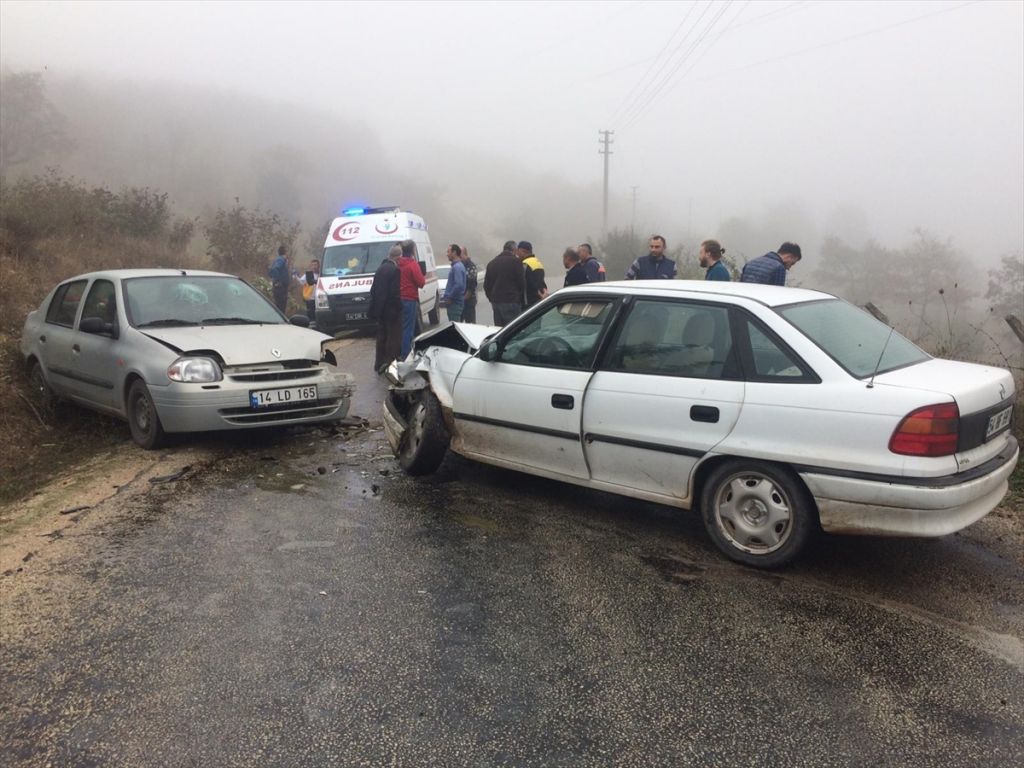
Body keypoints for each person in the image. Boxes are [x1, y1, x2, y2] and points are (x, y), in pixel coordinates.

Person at [368, 245, 403, 374]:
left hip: (380, 310)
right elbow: (395, 293)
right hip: (392, 311)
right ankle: (390, 364)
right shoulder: (395, 270)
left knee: (381, 336)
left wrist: (377, 308)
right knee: (393, 338)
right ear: (398, 257)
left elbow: (373, 290)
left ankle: (379, 363)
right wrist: (399, 306)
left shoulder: (380, 268)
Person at [484, 240, 526, 326]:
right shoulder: (516, 262)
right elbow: (521, 283)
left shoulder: (491, 263)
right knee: (513, 330)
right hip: (511, 301)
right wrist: (518, 297)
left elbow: (486, 285)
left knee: (500, 330)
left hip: (496, 302)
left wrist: (491, 299)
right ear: (514, 250)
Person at [398, 239, 425, 359]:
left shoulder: (397, 263)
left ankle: (399, 352)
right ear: (413, 250)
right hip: (409, 299)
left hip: (397, 299)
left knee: (400, 327)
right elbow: (421, 282)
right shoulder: (412, 264)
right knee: (408, 329)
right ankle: (406, 355)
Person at [441, 244, 467, 322]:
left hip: (454, 303)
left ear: (454, 252)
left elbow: (459, 285)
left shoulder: (457, 267)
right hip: (455, 303)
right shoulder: (457, 266)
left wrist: (450, 297)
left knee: (454, 328)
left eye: (448, 252)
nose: (447, 254)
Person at [517, 240, 548, 308]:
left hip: (527, 302)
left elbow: (521, 283)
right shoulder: (537, 262)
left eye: (518, 251)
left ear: (523, 251)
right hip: (538, 300)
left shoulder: (525, 264)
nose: (517, 254)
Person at [268, 245, 291, 312]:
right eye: (287, 251)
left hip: (281, 287)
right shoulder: (281, 259)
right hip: (280, 287)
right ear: (285, 252)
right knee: (281, 306)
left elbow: (271, 270)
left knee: (280, 305)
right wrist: (278, 281)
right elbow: (275, 269)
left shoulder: (279, 259)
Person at [461, 246, 478, 323]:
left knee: (470, 324)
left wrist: (465, 298)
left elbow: (472, 284)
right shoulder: (459, 265)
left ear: (464, 254)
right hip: (460, 300)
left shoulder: (471, 266)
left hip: (469, 300)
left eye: (459, 253)